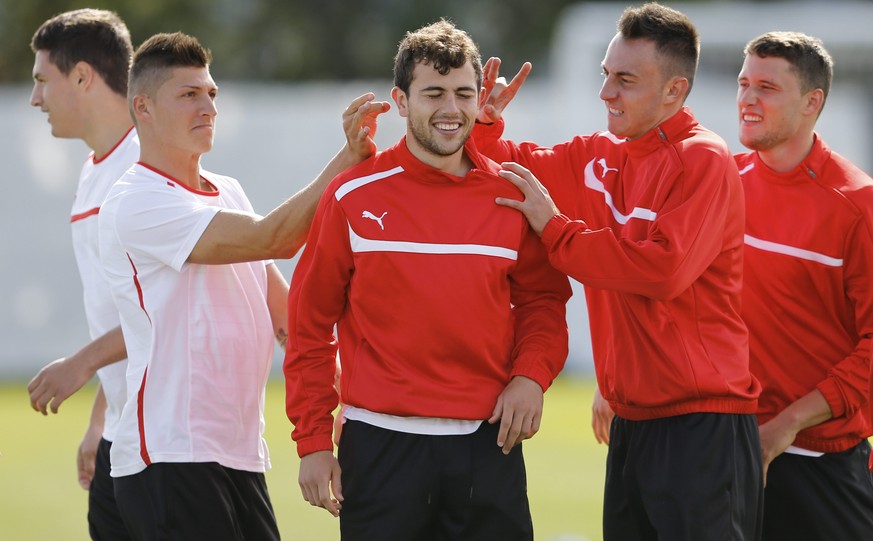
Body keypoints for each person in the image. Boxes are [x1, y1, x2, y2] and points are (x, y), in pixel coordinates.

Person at [473, 3, 763, 539]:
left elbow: (662, 270)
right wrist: (484, 127)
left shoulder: (704, 159)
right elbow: (508, 171)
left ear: (675, 91)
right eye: (606, 75)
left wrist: (556, 229)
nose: (606, 92)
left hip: (702, 427)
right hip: (632, 425)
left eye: (625, 80)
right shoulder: (600, 156)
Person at [284, 19, 571, 540]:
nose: (450, 109)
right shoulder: (352, 195)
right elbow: (309, 324)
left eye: (464, 94)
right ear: (400, 99)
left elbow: (544, 301)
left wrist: (530, 377)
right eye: (433, 93)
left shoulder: (511, 194)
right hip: (379, 447)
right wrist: (313, 442)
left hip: (489, 447)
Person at [96, 32, 384, 540]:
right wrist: (346, 162)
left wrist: (340, 406)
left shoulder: (226, 190)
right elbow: (272, 237)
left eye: (211, 94)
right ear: (142, 107)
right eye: (189, 95)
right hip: (170, 455)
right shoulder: (136, 202)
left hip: (238, 453)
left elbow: (285, 316)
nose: (208, 106)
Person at [735, 31, 873, 539]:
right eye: (743, 83)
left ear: (812, 101)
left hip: (823, 463)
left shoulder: (857, 205)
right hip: (728, 446)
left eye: (767, 88)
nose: (747, 99)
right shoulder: (722, 183)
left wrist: (787, 424)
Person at [26, 9, 136, 540]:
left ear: (83, 76)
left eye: (42, 80)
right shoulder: (97, 169)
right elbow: (127, 312)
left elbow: (166, 307)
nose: (35, 98)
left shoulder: (149, 165)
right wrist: (101, 421)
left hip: (171, 446)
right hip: (123, 433)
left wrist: (80, 364)